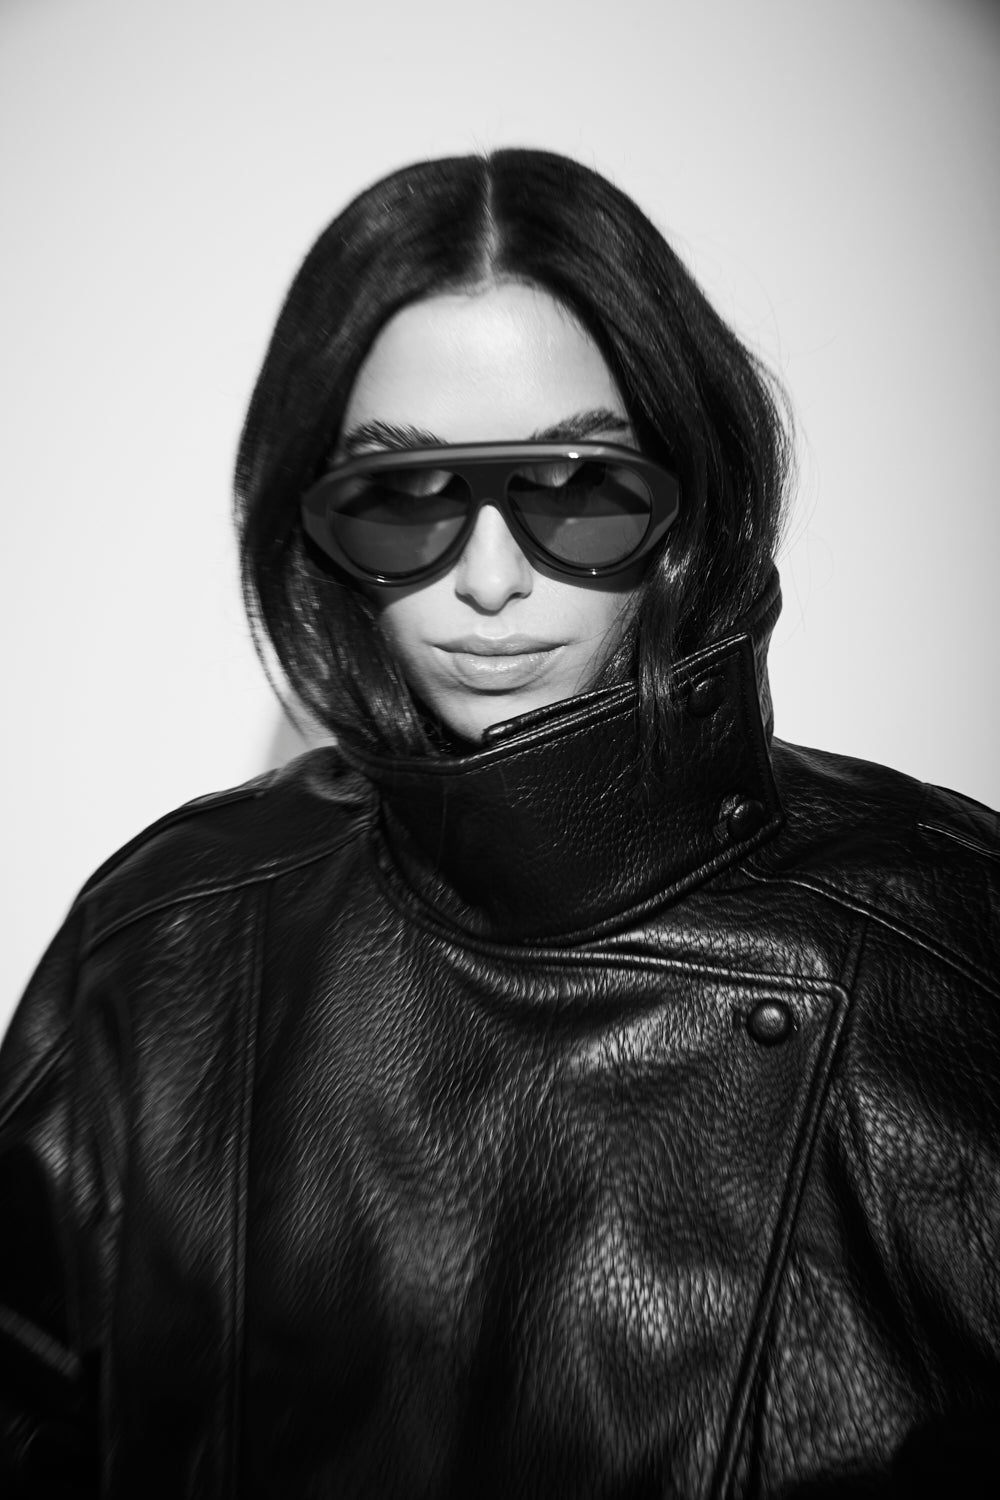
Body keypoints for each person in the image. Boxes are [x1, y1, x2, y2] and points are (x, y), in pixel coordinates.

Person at [0, 147, 997, 1500]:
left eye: (577, 487)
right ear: (311, 524)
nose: (486, 581)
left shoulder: (951, 946)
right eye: (402, 495)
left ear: (693, 500)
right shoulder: (165, 952)